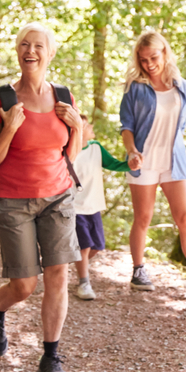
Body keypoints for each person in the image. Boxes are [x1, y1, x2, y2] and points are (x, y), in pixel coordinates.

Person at [0, 22, 82, 372]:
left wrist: (79, 131)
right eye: (24, 44)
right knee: (24, 284)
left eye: (38, 45)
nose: (31, 51)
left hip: (58, 196)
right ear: (17, 51)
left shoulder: (64, 97)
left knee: (58, 274)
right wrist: (9, 127)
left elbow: (69, 155)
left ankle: (51, 355)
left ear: (50, 52)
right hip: (13, 199)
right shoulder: (3, 99)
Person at [118, 30, 186, 296]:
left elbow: (180, 126)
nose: (149, 64)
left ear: (165, 53)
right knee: (144, 217)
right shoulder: (135, 88)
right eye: (143, 60)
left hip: (174, 161)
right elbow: (126, 126)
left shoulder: (180, 86)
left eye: (153, 57)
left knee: (185, 218)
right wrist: (131, 151)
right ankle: (139, 270)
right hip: (143, 161)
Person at [72, 113, 129, 300]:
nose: (90, 128)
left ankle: (72, 266)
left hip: (93, 206)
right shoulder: (67, 153)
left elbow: (113, 164)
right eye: (86, 126)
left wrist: (130, 165)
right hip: (75, 207)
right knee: (85, 246)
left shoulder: (96, 148)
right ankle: (84, 283)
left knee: (96, 246)